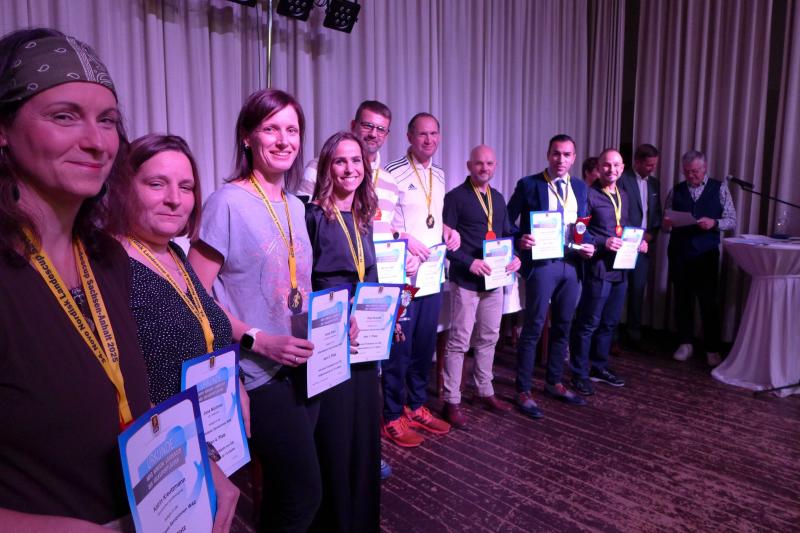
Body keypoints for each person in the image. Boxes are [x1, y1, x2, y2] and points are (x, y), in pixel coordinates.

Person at [0, 28, 152, 530]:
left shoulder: (108, 258)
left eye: (107, 121)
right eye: (64, 116)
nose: (96, 142)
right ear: (3, 128)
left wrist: (199, 459)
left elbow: (127, 401)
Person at [189, 89, 322, 531]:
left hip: (303, 366)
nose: (284, 140)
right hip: (257, 374)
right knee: (304, 495)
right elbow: (193, 297)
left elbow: (295, 288)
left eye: (292, 130)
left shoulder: (296, 206)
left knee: (286, 494)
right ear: (247, 136)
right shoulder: (227, 202)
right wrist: (258, 339)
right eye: (271, 129)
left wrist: (337, 324)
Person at [305, 131, 380, 532]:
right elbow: (303, 282)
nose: (350, 169)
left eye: (356, 161)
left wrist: (389, 313)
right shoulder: (313, 216)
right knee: (335, 436)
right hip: (331, 340)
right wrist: (334, 315)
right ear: (326, 168)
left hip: (365, 340)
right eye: (340, 161)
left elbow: (370, 275)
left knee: (364, 435)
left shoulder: (364, 217)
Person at [381, 112, 460, 447]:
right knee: (400, 348)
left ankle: (415, 406)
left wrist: (447, 230)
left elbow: (430, 217)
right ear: (409, 137)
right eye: (422, 134)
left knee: (424, 345)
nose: (429, 140)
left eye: (434, 134)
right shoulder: (391, 173)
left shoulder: (438, 174)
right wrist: (403, 238)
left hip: (432, 273)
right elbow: (380, 220)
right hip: (403, 273)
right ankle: (391, 414)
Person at [507, 134, 596, 418]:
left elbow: (583, 226)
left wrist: (589, 245)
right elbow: (507, 221)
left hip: (572, 264)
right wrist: (520, 240)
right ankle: (523, 389)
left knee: (563, 326)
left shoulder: (580, 187)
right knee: (534, 326)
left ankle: (554, 382)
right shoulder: (529, 184)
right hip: (542, 265)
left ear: (574, 158)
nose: (561, 159)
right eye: (556, 153)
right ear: (548, 155)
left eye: (567, 155)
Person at [441, 145, 520, 429]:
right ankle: (451, 400)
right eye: (478, 163)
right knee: (459, 342)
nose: (484, 168)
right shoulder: (455, 198)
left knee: (489, 337)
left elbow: (507, 235)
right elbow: (444, 243)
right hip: (466, 280)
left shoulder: (498, 198)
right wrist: (469, 262)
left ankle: (484, 390)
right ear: (468, 165)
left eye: (489, 164)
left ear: (495, 166)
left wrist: (515, 257)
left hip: (494, 281)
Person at [569, 149, 648, 396]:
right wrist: (603, 242)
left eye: (616, 165)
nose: (611, 170)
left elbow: (625, 227)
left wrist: (639, 242)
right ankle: (579, 373)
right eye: (606, 165)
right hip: (599, 268)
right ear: (599, 168)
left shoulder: (623, 195)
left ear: (622, 168)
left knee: (610, 323)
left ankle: (599, 367)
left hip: (621, 269)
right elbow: (579, 232)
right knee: (588, 324)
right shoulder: (588, 195)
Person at [663, 150, 736, 367]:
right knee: (682, 299)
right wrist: (667, 224)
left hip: (706, 254)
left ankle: (712, 348)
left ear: (704, 168)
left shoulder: (719, 188)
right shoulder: (676, 190)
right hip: (680, 253)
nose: (691, 175)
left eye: (695, 171)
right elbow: (666, 223)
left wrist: (714, 223)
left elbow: (731, 219)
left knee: (708, 302)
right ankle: (685, 343)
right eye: (687, 172)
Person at [618, 144, 662, 348]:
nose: (652, 168)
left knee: (638, 290)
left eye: (654, 164)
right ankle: (612, 335)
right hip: (624, 243)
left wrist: (650, 236)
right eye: (649, 165)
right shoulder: (622, 179)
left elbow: (656, 214)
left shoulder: (654, 183)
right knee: (619, 290)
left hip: (644, 245)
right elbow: (619, 212)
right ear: (637, 162)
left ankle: (634, 333)